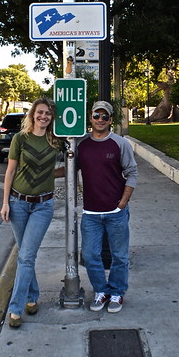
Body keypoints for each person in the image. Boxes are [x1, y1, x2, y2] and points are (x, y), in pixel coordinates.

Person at [0, 98, 63, 328]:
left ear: (51, 117)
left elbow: (69, 164)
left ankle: (15, 309)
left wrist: (53, 175)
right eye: (40, 112)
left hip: (43, 206)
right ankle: (32, 296)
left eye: (47, 113)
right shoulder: (20, 139)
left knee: (26, 256)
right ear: (33, 114)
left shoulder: (56, 141)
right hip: (18, 203)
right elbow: (10, 171)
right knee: (26, 255)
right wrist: (5, 202)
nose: (43, 116)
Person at [78, 100, 138, 314]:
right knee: (90, 255)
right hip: (91, 214)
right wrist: (43, 173)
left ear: (111, 119)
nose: (100, 120)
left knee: (119, 256)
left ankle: (117, 292)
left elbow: (132, 173)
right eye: (96, 115)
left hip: (115, 213)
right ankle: (101, 291)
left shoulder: (120, 144)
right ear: (90, 118)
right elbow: (68, 169)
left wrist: (123, 202)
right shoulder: (82, 145)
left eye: (105, 116)